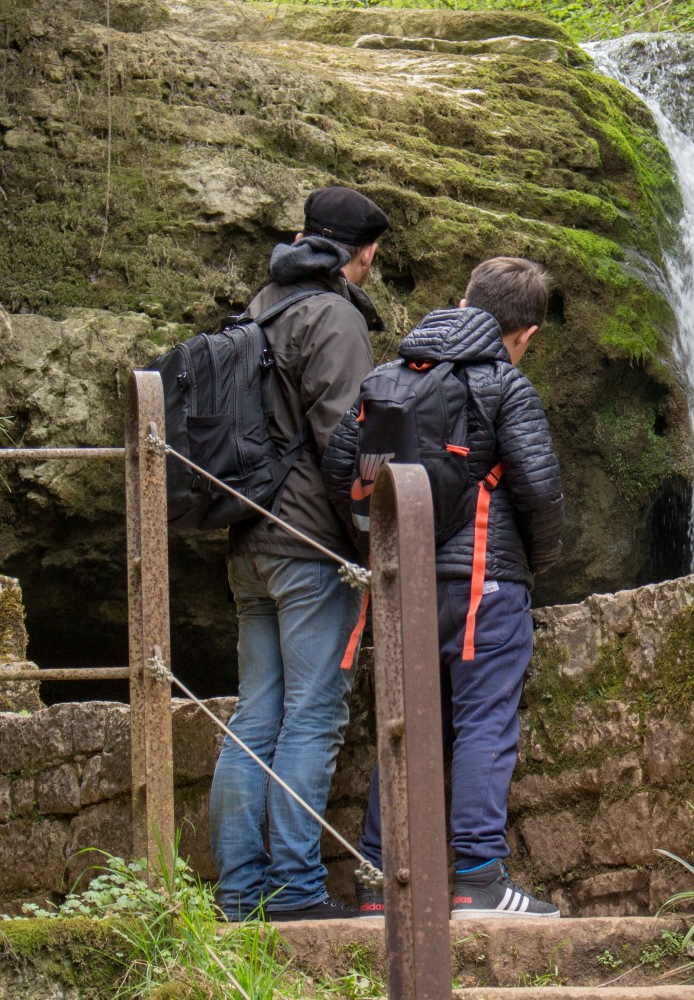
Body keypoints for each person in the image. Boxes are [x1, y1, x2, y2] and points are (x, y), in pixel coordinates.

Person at [323, 256, 565, 918]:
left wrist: (374, 547)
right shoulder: (502, 386)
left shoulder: (391, 378)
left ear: (462, 300)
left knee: (404, 724)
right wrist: (535, 562)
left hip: (405, 582)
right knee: (484, 719)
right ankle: (480, 879)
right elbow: (540, 490)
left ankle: (379, 881)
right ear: (526, 334)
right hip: (484, 580)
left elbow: (343, 469)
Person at [209, 185, 389, 922]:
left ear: (302, 235)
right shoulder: (336, 318)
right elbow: (353, 444)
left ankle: (238, 889)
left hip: (246, 538)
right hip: (310, 547)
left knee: (257, 713)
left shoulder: (262, 305)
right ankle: (293, 889)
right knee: (314, 714)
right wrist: (375, 541)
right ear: (365, 254)